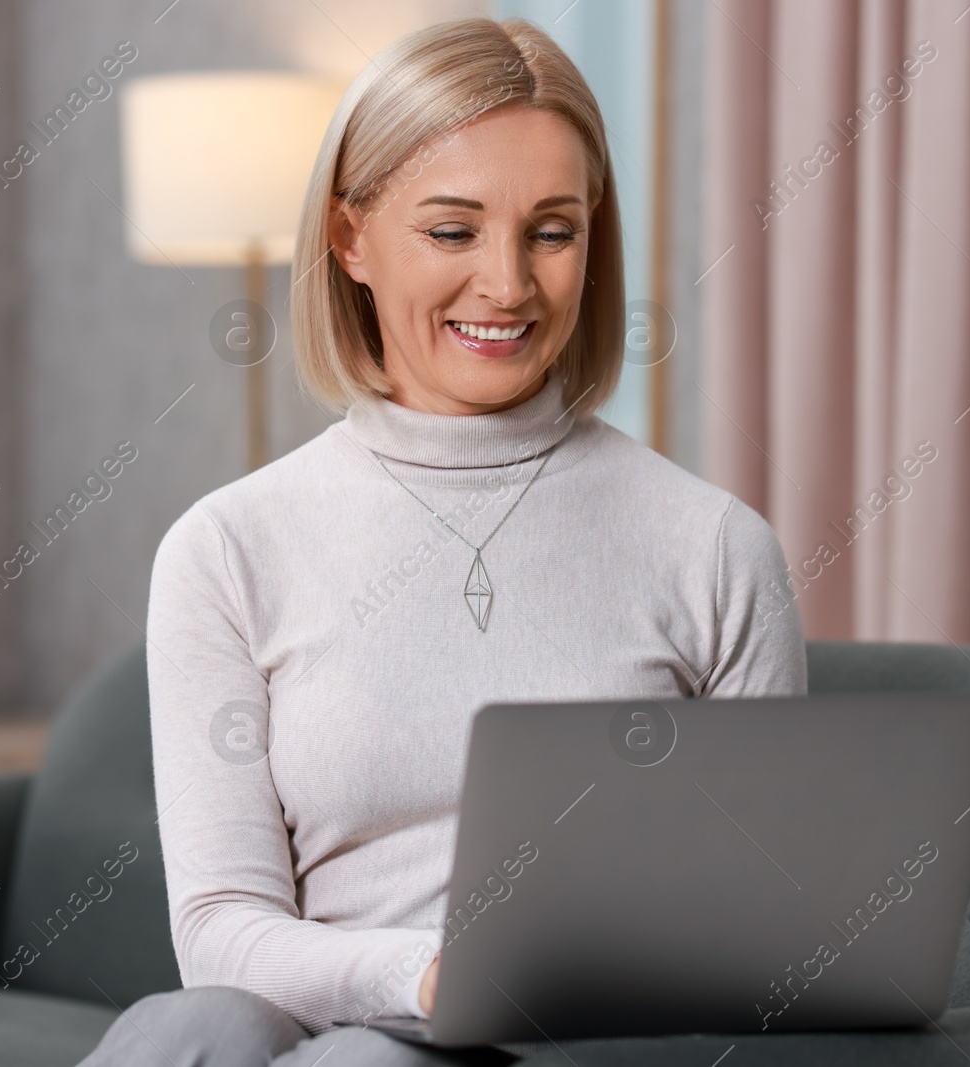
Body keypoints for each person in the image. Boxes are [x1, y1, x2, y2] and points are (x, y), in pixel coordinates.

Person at [77, 15, 806, 1067]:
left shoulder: (713, 547)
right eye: (453, 231)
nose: (507, 284)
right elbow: (222, 932)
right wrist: (421, 973)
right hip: (333, 1018)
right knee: (183, 1027)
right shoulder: (227, 547)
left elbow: (761, 918)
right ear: (349, 237)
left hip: (587, 1044)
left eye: (551, 231)